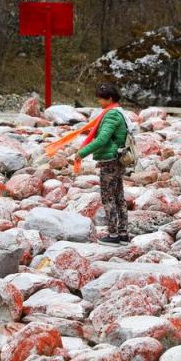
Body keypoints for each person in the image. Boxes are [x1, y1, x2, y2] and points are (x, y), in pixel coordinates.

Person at [73, 82, 130, 246]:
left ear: (109, 98)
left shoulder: (111, 115)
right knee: (119, 197)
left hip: (109, 161)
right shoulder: (120, 112)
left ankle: (113, 235)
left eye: (101, 99)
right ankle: (123, 234)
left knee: (108, 198)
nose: (99, 102)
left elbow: (102, 139)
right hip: (118, 160)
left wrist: (82, 153)